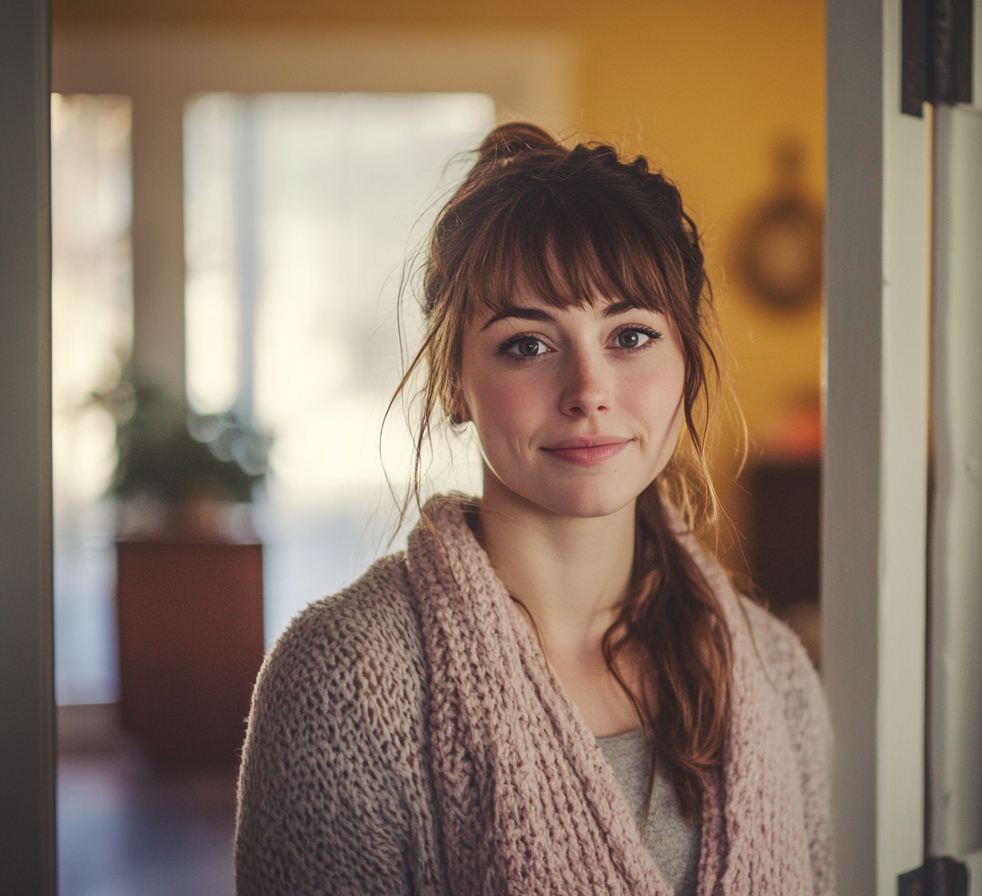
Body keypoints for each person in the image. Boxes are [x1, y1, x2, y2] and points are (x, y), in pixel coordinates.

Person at [234, 123, 834, 896]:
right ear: (454, 380)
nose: (589, 388)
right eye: (526, 344)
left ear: (686, 363)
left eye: (630, 335)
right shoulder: (341, 682)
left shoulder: (776, 671)